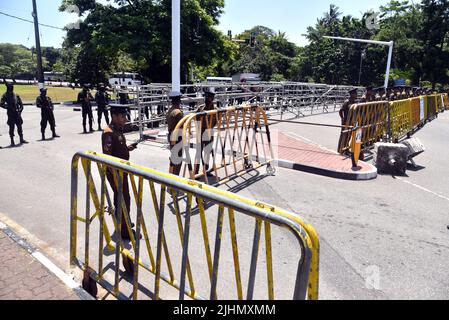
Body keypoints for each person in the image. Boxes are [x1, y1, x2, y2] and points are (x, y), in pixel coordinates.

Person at [102, 106, 138, 240]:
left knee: (121, 198)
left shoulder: (117, 130)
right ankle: (124, 230)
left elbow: (118, 148)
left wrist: (128, 148)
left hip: (121, 171)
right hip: (116, 173)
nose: (125, 119)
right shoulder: (108, 133)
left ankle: (123, 221)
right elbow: (108, 156)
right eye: (123, 116)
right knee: (123, 198)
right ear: (115, 116)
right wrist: (116, 177)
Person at [194, 88, 218, 178]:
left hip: (209, 132)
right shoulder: (200, 108)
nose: (207, 99)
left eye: (209, 97)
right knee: (198, 152)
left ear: (212, 98)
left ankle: (206, 170)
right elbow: (196, 119)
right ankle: (196, 172)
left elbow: (216, 121)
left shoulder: (215, 110)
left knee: (207, 152)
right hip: (201, 132)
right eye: (206, 97)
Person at [166, 91, 184, 176]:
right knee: (178, 158)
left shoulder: (170, 110)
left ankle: (172, 175)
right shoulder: (178, 112)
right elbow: (182, 126)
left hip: (171, 136)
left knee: (174, 157)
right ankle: (175, 177)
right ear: (179, 100)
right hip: (177, 137)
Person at [337, 88, 357, 153]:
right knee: (343, 135)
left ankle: (346, 148)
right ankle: (340, 148)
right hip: (346, 121)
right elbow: (341, 111)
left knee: (349, 135)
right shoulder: (347, 102)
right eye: (355, 93)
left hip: (351, 121)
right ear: (352, 94)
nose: (356, 95)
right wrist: (342, 119)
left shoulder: (354, 102)